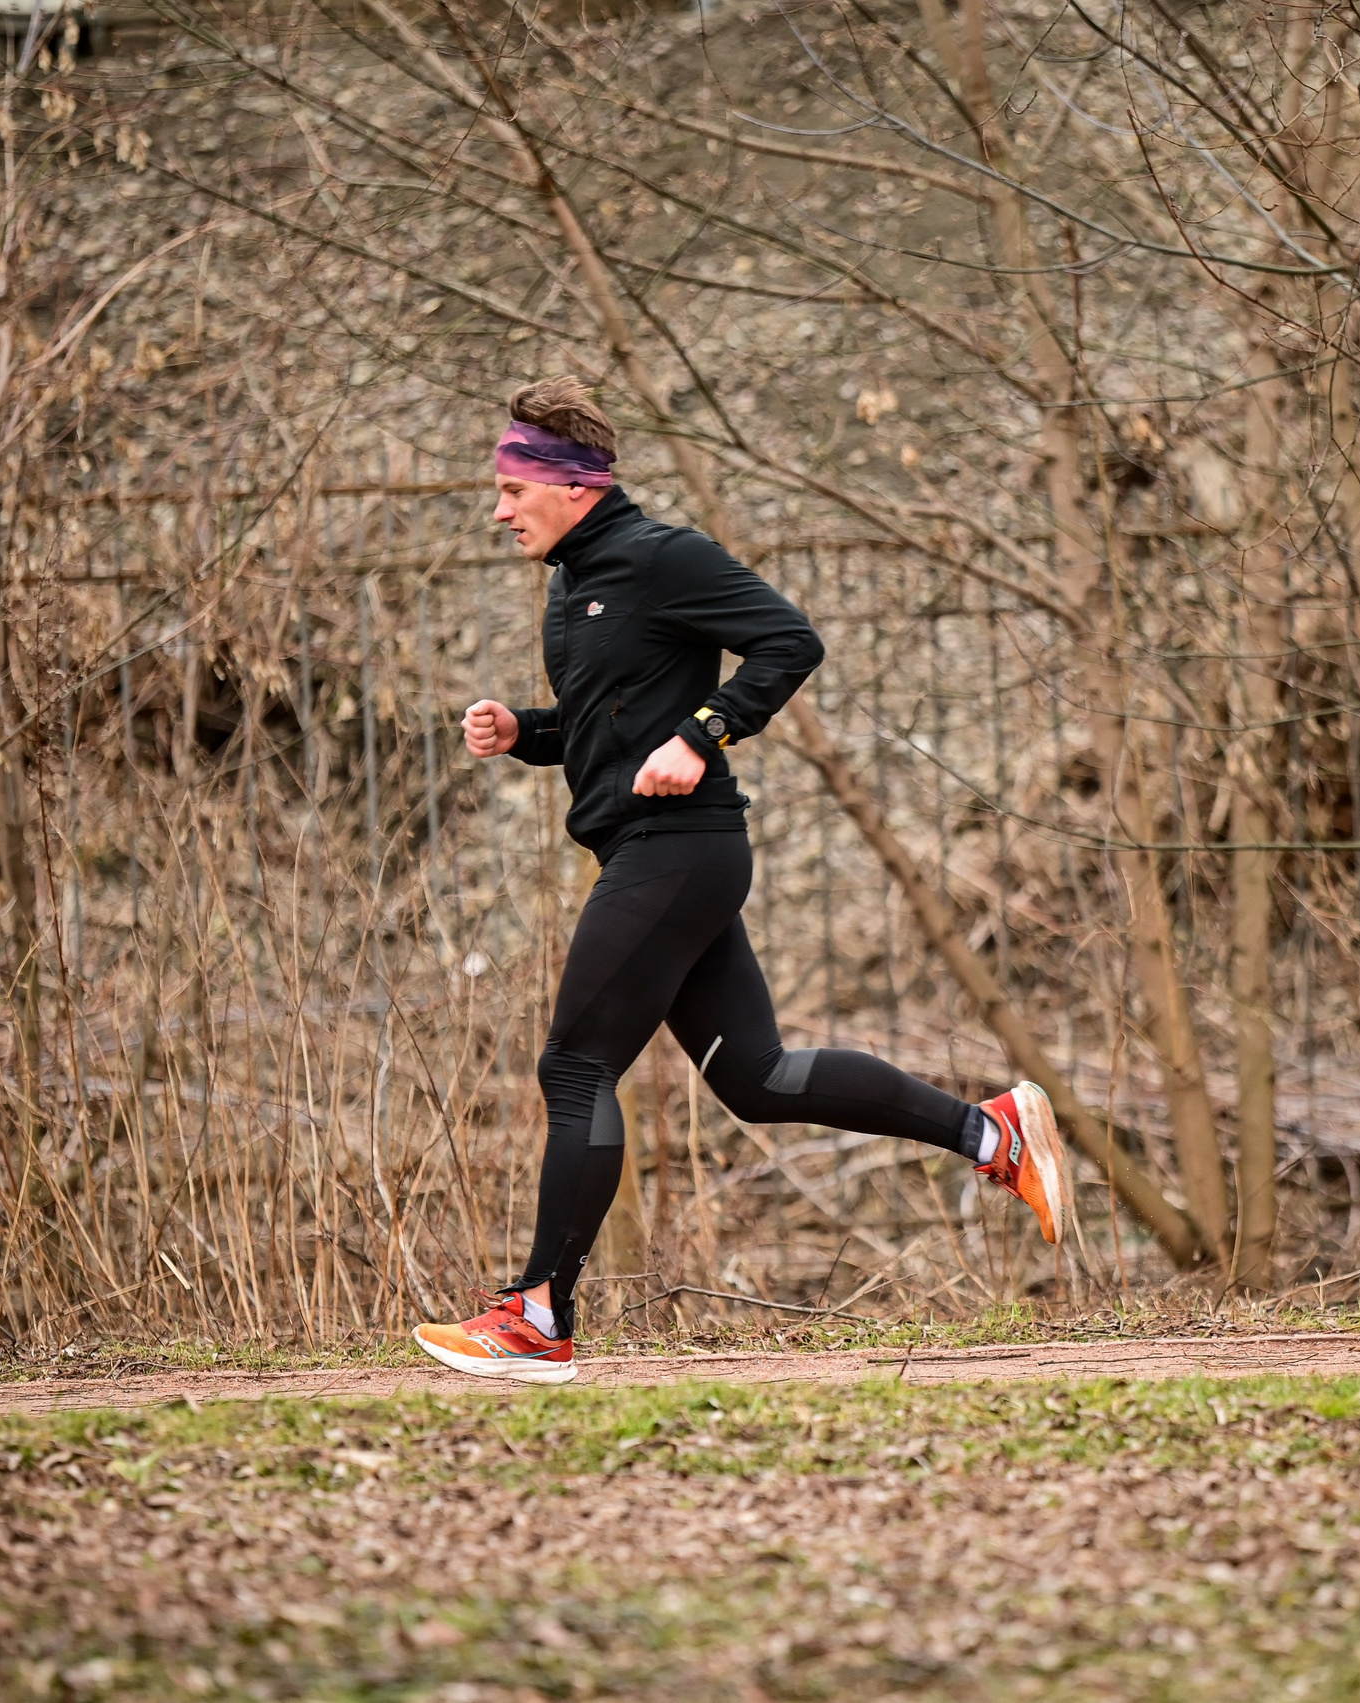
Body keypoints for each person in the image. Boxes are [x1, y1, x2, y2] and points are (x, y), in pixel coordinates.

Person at [411, 377, 1065, 1384]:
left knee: (575, 1066)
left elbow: (788, 641)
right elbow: (608, 725)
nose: (498, 511)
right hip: (658, 850)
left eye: (511, 489)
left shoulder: (661, 555)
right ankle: (992, 1132)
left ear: (574, 486)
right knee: (756, 1078)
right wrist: (525, 732)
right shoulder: (573, 584)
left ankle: (539, 1314)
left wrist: (701, 732)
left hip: (677, 848)